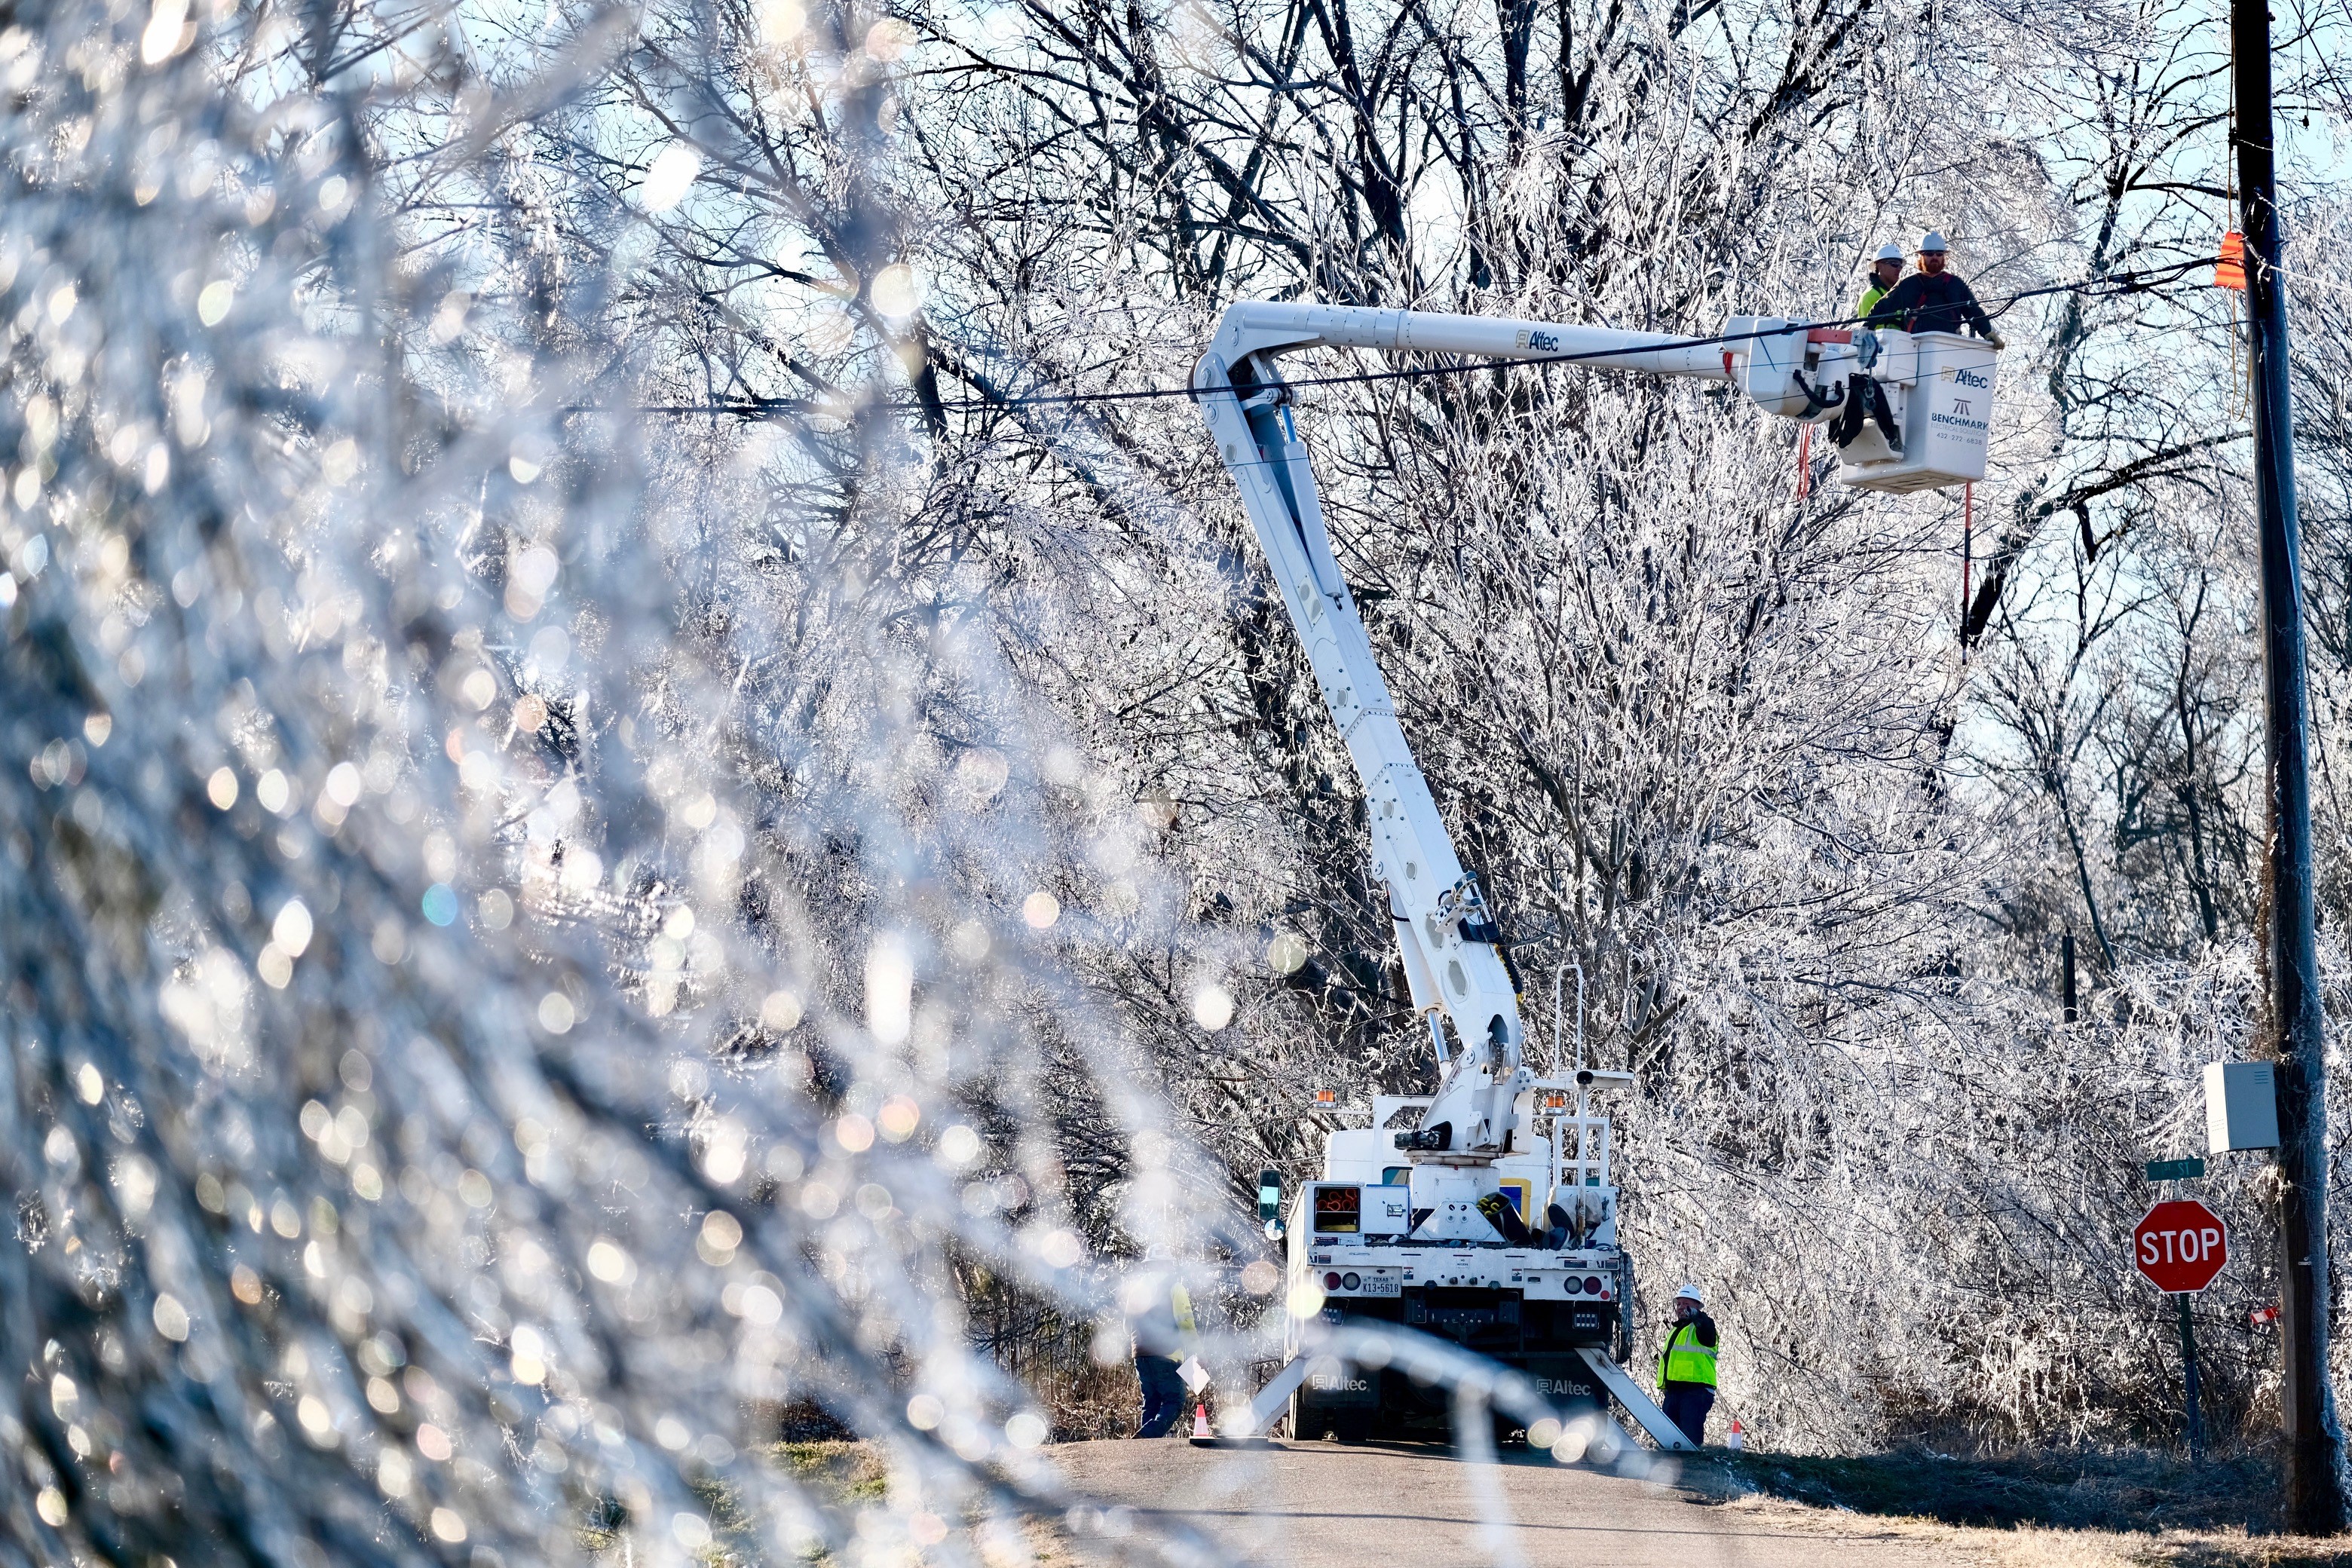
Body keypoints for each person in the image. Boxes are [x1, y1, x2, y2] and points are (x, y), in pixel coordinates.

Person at [1865, 231, 2006, 348]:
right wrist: (1866, 329)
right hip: (1915, 348)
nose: (1935, 257)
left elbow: (1974, 312)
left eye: (1939, 254)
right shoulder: (1908, 285)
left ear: (1944, 257)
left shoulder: (1956, 285)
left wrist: (1988, 333)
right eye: (1929, 253)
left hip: (1950, 347)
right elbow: (1882, 308)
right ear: (1921, 256)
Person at [1128, 1254, 1196, 1438]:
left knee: (1151, 1403)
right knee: (1175, 1401)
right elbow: (1186, 1324)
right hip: (1167, 1355)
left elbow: (1127, 1324)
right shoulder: (1175, 1288)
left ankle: (1144, 1452)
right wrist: (1199, 1352)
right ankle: (1146, 1437)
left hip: (1140, 1355)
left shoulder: (1137, 1290)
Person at [1656, 1282, 1719, 1446]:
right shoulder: (1676, 1330)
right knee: (1668, 1437)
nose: (1681, 1307)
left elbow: (1706, 1328)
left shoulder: (1704, 1326)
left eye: (1686, 1304)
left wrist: (1696, 1315)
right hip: (1674, 1392)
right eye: (1679, 1303)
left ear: (1697, 1306)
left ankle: (1692, 1469)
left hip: (1696, 1392)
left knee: (1689, 1438)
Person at [1856, 241, 1904, 320]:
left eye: (1900, 266)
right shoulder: (1869, 297)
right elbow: (1869, 330)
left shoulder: (1899, 294)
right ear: (1880, 266)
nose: (1899, 269)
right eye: (1894, 264)